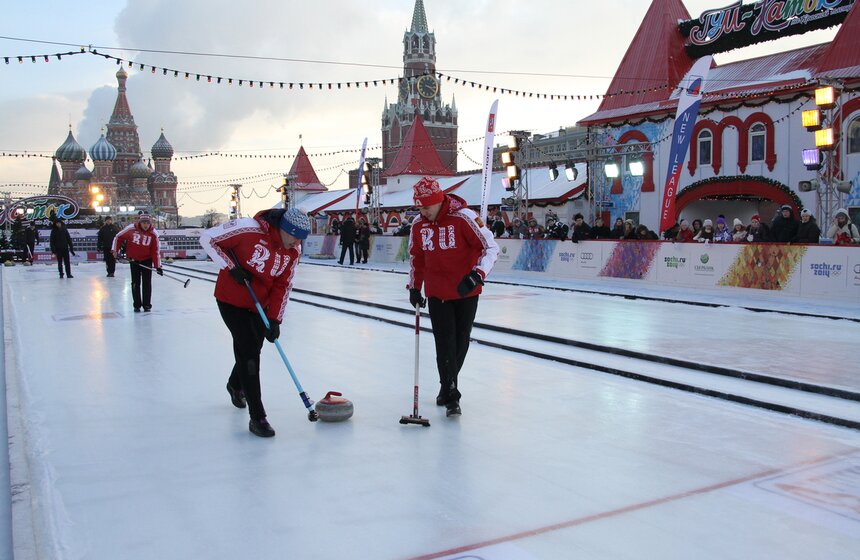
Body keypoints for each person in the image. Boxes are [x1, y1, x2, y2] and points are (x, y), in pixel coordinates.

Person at [200, 207, 310, 438]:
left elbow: (283, 285)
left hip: (261, 304)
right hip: (231, 299)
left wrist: (275, 319)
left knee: (251, 348)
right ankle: (257, 416)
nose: (298, 242)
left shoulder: (293, 251)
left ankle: (234, 384)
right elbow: (208, 239)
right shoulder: (247, 229)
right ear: (284, 229)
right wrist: (231, 268)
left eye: (302, 238)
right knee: (249, 352)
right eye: (295, 236)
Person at [407, 177, 499, 418]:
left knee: (461, 341)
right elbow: (417, 258)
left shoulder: (464, 217)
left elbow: (491, 248)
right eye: (419, 208)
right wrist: (415, 288)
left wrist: (478, 274)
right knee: (444, 343)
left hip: (465, 289)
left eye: (426, 207)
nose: (422, 212)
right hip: (437, 292)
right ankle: (451, 395)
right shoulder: (418, 225)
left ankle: (446, 384)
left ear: (438, 201)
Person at [111, 212, 162, 312]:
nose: (145, 225)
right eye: (143, 223)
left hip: (146, 260)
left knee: (147, 283)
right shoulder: (131, 229)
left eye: (147, 223)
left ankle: (147, 305)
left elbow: (155, 252)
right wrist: (115, 250)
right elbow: (118, 237)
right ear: (140, 222)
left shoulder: (153, 234)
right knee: (135, 283)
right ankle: (137, 305)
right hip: (134, 260)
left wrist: (158, 266)